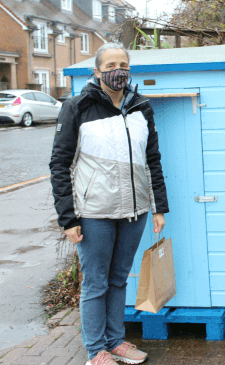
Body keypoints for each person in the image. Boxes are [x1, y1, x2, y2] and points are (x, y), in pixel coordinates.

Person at [50, 42, 169, 365]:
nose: (119, 71)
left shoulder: (140, 107)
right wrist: (68, 219)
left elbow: (152, 160)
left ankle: (116, 341)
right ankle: (95, 351)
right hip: (93, 213)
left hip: (135, 211)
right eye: (111, 65)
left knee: (119, 278)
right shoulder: (77, 107)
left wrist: (159, 207)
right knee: (96, 282)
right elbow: (59, 164)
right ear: (97, 71)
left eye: (124, 65)